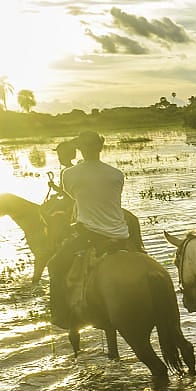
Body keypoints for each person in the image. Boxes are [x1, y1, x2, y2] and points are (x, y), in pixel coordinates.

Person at [47, 130, 130, 328]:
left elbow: (74, 196)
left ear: (79, 149)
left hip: (91, 236)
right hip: (121, 236)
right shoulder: (117, 174)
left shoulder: (69, 174)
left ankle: (60, 314)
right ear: (100, 148)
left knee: (54, 265)